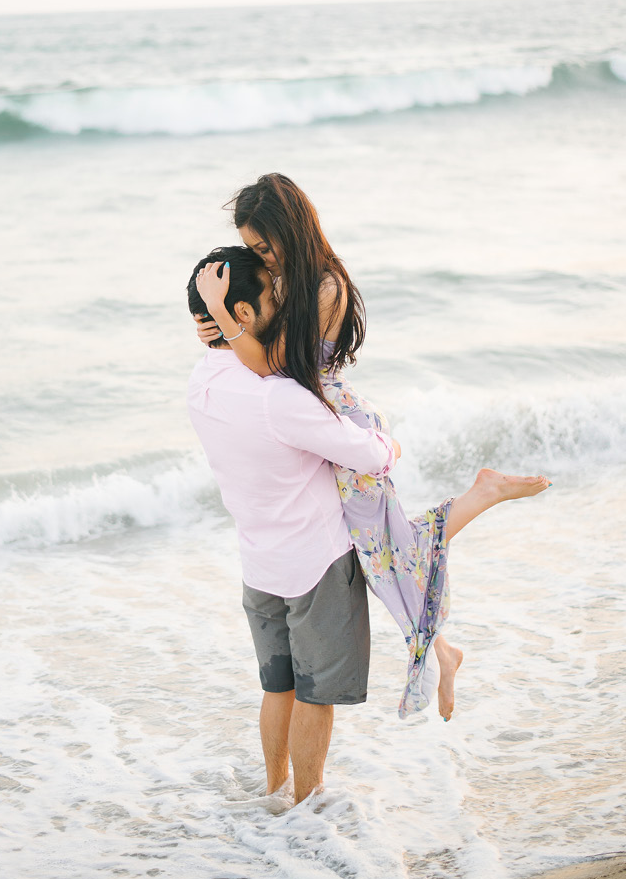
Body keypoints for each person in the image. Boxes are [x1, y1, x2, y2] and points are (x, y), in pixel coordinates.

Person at [194, 174, 551, 720]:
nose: (259, 258)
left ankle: (482, 499)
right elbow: (261, 350)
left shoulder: (324, 287)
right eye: (251, 248)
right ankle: (443, 648)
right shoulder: (287, 277)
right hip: (315, 421)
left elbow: (273, 366)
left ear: (290, 229)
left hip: (338, 424)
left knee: (384, 547)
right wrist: (217, 328)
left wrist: (225, 318)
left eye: (263, 247)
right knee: (379, 550)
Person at [187, 246, 398, 806]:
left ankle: (275, 793)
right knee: (314, 696)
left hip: (258, 563)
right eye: (273, 296)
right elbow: (369, 456)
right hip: (316, 563)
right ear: (246, 315)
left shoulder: (200, 383)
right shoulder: (278, 395)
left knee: (276, 687)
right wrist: (389, 443)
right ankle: (307, 809)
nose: (284, 302)